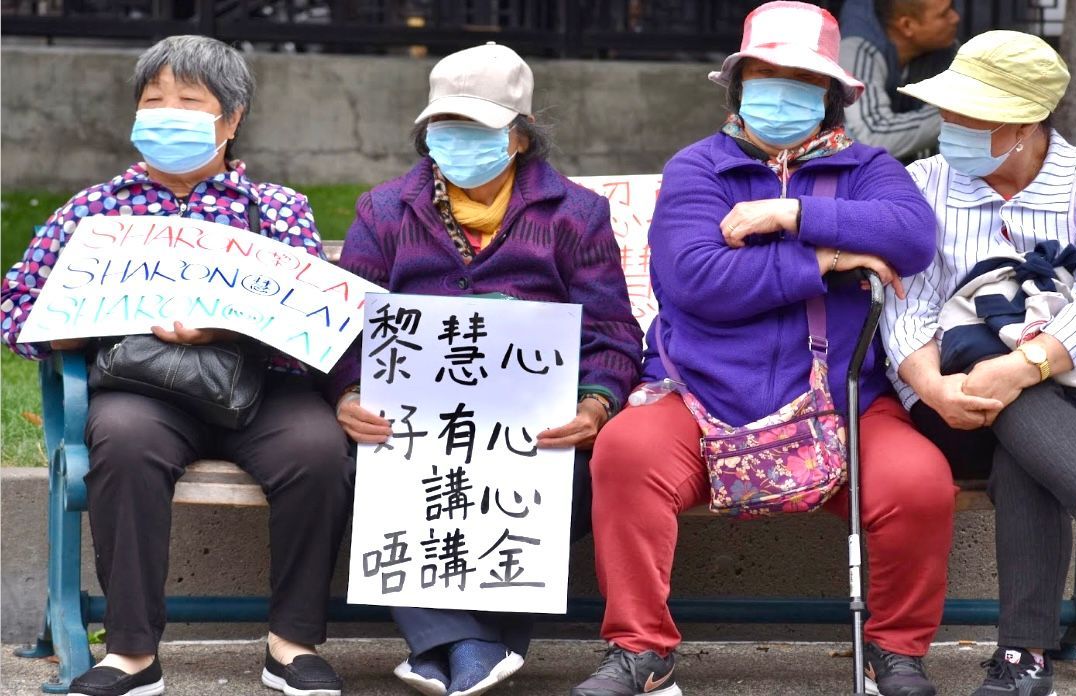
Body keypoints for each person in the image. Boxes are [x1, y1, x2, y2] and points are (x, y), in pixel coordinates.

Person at [572, 3, 954, 696]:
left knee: (919, 482)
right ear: (738, 86)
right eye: (763, 77)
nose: (779, 94)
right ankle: (640, 649)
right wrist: (831, 258)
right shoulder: (697, 169)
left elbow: (912, 237)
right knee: (626, 453)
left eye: (800, 81)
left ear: (831, 96)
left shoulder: (868, 166)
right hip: (699, 395)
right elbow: (698, 280)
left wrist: (793, 215)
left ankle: (894, 652)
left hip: (842, 405)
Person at [0, 36, 353, 696]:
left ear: (233, 117)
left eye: (189, 101)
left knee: (317, 448)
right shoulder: (93, 210)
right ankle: (131, 653)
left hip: (263, 385)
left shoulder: (277, 208)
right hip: (144, 386)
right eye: (153, 101)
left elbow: (313, 323)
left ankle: (292, 642)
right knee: (125, 442)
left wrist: (229, 327)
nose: (168, 113)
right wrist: (85, 322)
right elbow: (16, 306)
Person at [882, 30, 1076, 696]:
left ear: (1023, 126)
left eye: (967, 117)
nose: (948, 128)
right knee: (1002, 396)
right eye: (948, 112)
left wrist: (1020, 367)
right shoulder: (925, 183)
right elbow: (905, 308)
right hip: (953, 403)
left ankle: (1025, 662)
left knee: (1023, 442)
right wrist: (932, 388)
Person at [327, 42, 643, 696]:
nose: (460, 142)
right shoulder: (384, 211)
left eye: (481, 129)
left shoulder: (574, 215)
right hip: (408, 426)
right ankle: (468, 644)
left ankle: (451, 645)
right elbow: (346, 323)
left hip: (530, 428)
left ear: (521, 139)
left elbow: (613, 331)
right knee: (357, 473)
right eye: (446, 128)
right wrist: (350, 391)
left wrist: (594, 405)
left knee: (576, 481)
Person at [839, 0, 959, 160]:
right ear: (907, 25)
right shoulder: (858, 49)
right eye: (944, 14)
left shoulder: (944, 48)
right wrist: (958, 116)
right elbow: (874, 136)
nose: (955, 18)